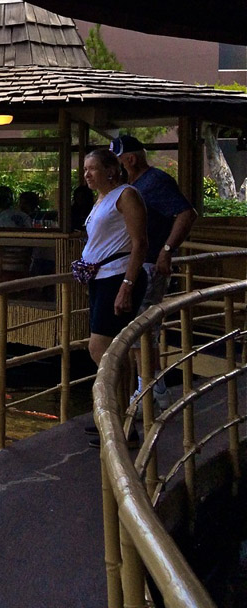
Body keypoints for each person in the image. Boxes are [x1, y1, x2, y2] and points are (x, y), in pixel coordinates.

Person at [110, 135, 198, 412]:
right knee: (138, 329)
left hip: (148, 265)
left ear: (131, 159)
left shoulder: (155, 181)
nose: (117, 167)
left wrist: (167, 249)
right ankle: (152, 386)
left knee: (142, 327)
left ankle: (149, 388)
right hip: (134, 263)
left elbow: (186, 213)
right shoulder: (131, 185)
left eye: (119, 161)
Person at [81, 148, 148, 446]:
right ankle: (116, 417)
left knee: (101, 348)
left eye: (92, 168)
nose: (87, 174)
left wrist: (127, 284)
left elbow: (140, 242)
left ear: (111, 169)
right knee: (109, 351)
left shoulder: (126, 195)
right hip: (100, 279)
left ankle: (122, 420)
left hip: (118, 277)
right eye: (85, 170)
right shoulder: (101, 201)